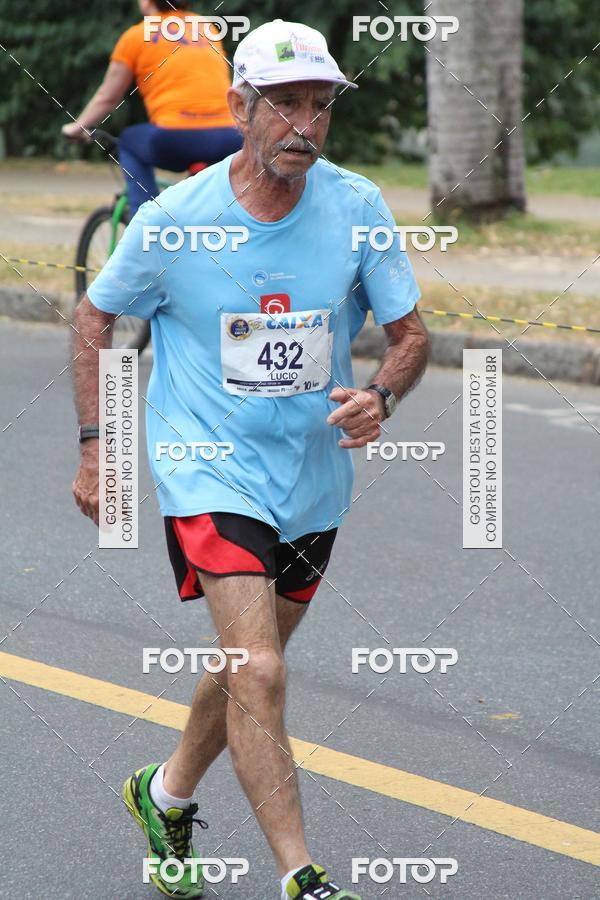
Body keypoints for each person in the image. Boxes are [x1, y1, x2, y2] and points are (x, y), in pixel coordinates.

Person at [71, 18, 429, 900]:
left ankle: (164, 794)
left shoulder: (356, 206)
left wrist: (380, 394)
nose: (305, 124)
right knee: (261, 669)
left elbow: (411, 335)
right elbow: (93, 320)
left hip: (312, 479)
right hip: (205, 463)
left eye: (320, 106)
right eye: (286, 106)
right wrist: (96, 445)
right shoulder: (174, 221)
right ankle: (301, 876)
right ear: (239, 108)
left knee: (244, 665)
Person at [62, 0, 242, 216]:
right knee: (202, 207)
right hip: (231, 136)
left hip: (175, 137)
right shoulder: (206, 27)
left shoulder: (137, 36)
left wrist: (78, 126)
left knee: (128, 141)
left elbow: (108, 98)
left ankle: (146, 223)